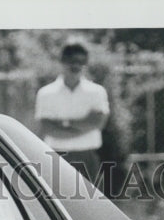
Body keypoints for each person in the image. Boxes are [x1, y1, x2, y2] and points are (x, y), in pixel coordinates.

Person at [34, 39, 110, 183]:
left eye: (81, 61)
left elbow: (98, 123)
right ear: (62, 61)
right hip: (56, 157)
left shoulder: (97, 92)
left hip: (87, 157)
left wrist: (63, 124)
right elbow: (48, 128)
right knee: (56, 203)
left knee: (90, 204)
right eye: (71, 60)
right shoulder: (46, 93)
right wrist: (84, 125)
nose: (76, 65)